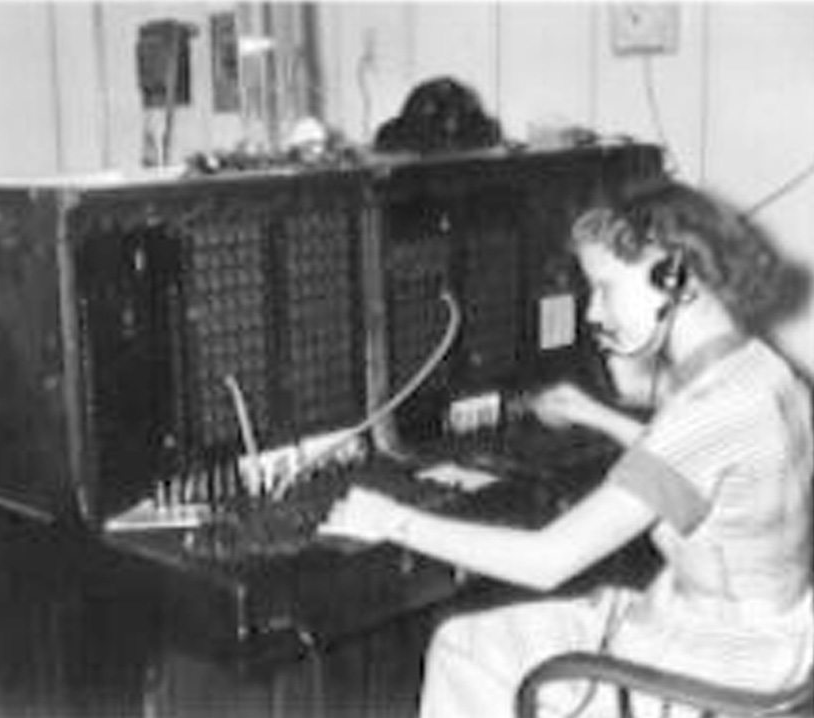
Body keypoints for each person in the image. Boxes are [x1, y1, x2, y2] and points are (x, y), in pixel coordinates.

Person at [318, 179, 813, 717]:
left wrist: (391, 521)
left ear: (675, 278)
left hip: (708, 677)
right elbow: (695, 475)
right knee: (479, 639)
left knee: (465, 649)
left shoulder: (704, 416)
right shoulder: (763, 371)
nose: (594, 312)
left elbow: (547, 560)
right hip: (768, 647)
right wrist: (595, 415)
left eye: (605, 288)